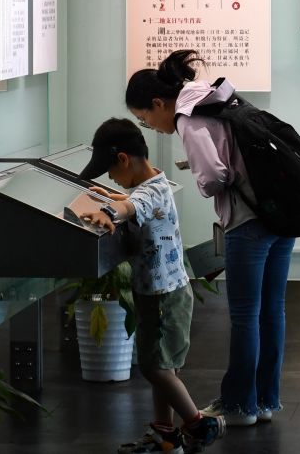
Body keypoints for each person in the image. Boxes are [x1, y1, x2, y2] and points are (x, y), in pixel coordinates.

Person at [124, 50, 295, 427]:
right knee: (272, 311)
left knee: (245, 316)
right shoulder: (214, 96)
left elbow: (215, 177)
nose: (151, 127)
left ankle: (239, 406)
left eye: (145, 119)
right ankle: (265, 400)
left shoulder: (186, 115)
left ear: (158, 103)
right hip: (280, 213)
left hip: (247, 222)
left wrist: (202, 176)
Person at [78, 118, 225, 454]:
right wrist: (117, 197)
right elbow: (136, 201)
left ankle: (198, 424)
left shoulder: (147, 194)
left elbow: (132, 206)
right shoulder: (157, 182)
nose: (110, 178)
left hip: (162, 297)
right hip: (163, 292)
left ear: (123, 159)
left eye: (110, 172)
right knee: (164, 365)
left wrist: (111, 211)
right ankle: (165, 434)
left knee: (154, 367)